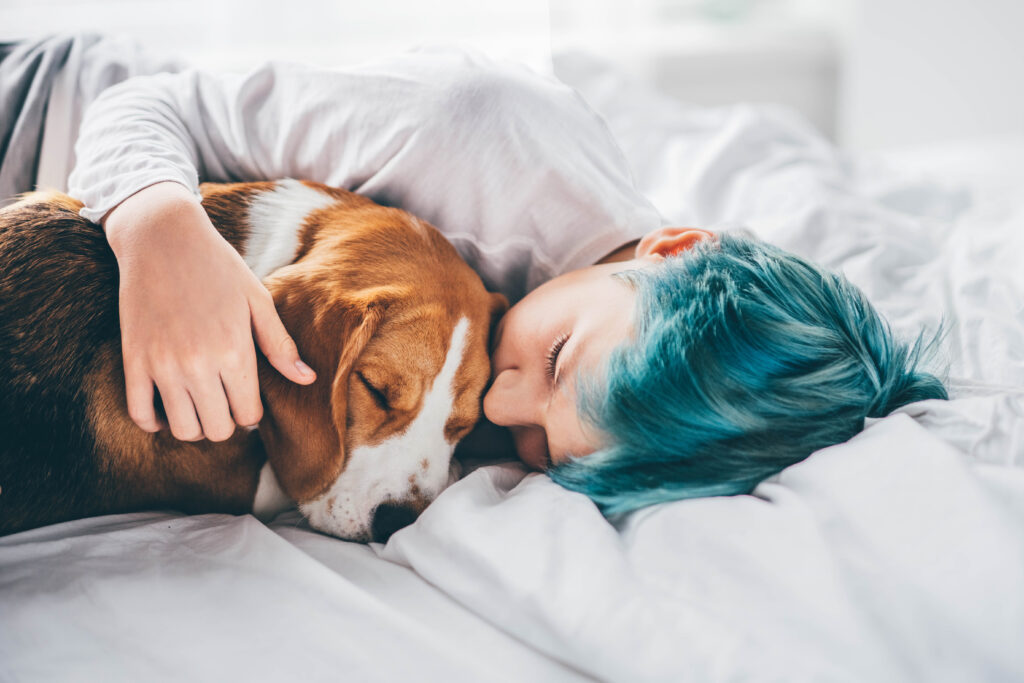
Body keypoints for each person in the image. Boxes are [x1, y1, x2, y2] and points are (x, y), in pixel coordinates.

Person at [1, 34, 946, 517]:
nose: (504, 396)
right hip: (45, 123)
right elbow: (146, 103)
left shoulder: (590, 405)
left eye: (540, 442)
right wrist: (157, 226)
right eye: (558, 357)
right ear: (672, 248)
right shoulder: (483, 133)